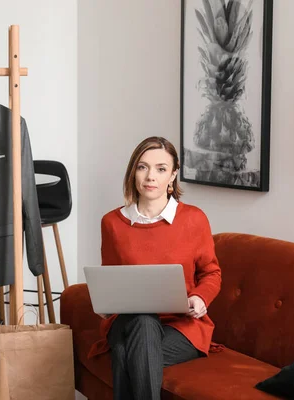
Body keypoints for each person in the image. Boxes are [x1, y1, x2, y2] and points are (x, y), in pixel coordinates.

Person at [87, 136, 222, 400]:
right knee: (144, 321)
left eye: (161, 169)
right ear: (133, 172)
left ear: (172, 175)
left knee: (131, 352)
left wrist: (199, 296)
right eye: (143, 167)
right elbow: (112, 278)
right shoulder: (112, 223)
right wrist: (105, 304)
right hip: (126, 322)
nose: (151, 176)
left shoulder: (194, 219)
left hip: (183, 327)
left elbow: (211, 273)